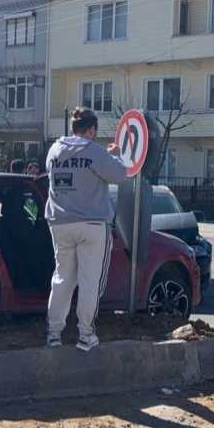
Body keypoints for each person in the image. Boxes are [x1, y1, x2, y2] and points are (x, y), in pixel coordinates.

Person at [45, 107, 128, 351]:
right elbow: (120, 174)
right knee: (89, 281)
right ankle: (85, 335)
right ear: (91, 130)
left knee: (62, 279)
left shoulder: (55, 150)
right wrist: (114, 155)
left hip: (60, 223)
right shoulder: (94, 151)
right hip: (91, 224)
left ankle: (53, 333)